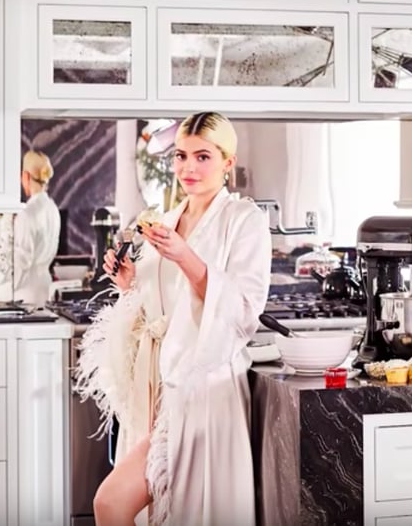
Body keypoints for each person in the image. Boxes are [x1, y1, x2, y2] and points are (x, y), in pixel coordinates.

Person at [75, 112, 271, 526]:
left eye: (203, 156)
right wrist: (130, 283)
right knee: (151, 512)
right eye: (181, 156)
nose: (188, 168)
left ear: (227, 162)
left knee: (111, 504)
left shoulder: (244, 221)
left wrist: (184, 256)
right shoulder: (166, 220)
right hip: (156, 386)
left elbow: (243, 313)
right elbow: (159, 308)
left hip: (203, 389)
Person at [0, 150, 61, 306]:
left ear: (25, 176)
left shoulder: (26, 214)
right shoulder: (52, 209)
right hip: (44, 289)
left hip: (24, 293)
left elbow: (18, 267)